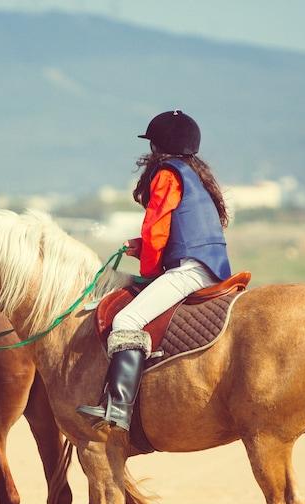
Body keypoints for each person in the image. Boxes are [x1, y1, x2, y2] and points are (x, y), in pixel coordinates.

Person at [77, 110, 231, 431]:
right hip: (209, 266)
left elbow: (156, 231)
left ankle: (118, 408)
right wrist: (141, 247)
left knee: (126, 320)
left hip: (189, 269)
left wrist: (147, 267)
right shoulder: (195, 175)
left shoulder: (166, 174)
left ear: (158, 146)